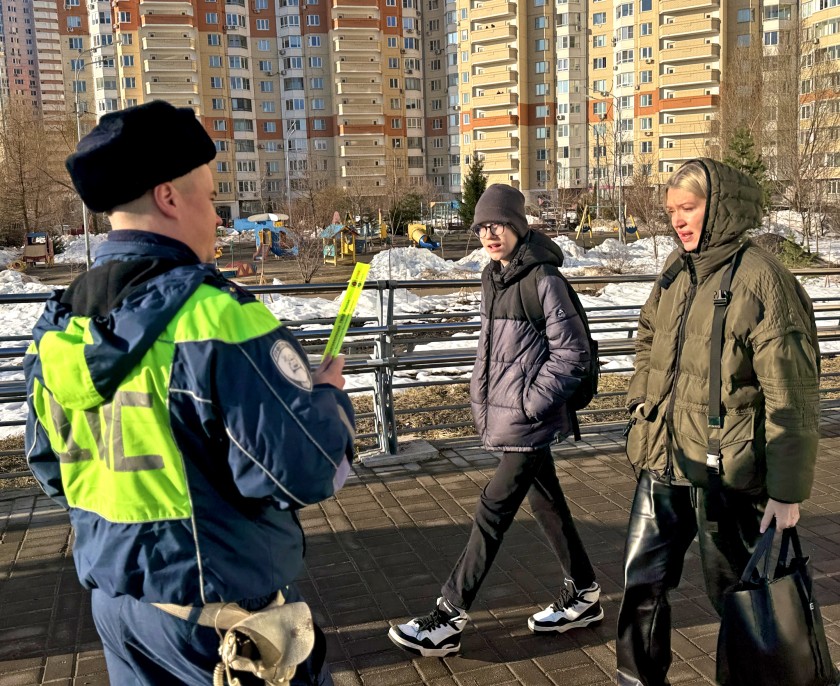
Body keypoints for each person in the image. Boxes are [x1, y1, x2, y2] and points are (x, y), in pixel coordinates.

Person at [23, 101, 355, 685]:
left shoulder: (57, 327)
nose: (218, 219)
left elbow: (51, 470)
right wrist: (327, 399)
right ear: (169, 197)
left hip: (121, 614)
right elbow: (304, 471)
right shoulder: (215, 317)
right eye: (209, 198)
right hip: (220, 626)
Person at [616, 158, 821, 686]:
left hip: (727, 473)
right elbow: (646, 341)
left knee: (739, 600)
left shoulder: (762, 279)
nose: (679, 221)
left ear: (721, 207)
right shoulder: (675, 270)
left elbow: (792, 394)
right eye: (672, 212)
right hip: (663, 462)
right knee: (642, 586)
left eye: (690, 208)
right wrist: (643, 405)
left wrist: (787, 490)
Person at [388, 184, 601, 657]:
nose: (489, 233)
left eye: (498, 224)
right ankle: (584, 593)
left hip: (528, 418)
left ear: (517, 225)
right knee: (548, 506)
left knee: (492, 509)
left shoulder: (542, 278)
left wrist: (529, 405)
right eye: (482, 226)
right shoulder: (495, 277)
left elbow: (572, 354)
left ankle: (448, 615)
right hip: (512, 415)